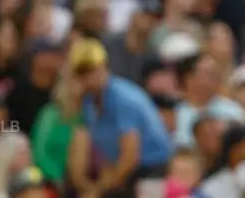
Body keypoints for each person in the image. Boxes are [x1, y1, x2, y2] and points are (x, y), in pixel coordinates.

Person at [71, 37, 173, 197]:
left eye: (93, 69)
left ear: (104, 67)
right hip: (123, 169)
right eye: (83, 72)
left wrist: (99, 190)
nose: (89, 77)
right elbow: (89, 146)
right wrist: (89, 186)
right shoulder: (89, 101)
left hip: (152, 169)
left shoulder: (123, 98)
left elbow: (130, 156)